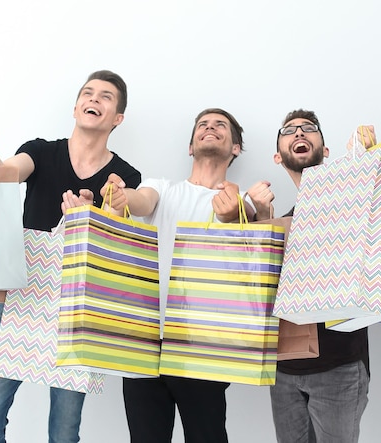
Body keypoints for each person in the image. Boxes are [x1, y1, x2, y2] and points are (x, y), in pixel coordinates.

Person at [0, 70, 142, 443]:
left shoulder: (123, 176)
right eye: (88, 93)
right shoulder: (42, 151)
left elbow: (119, 240)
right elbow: (7, 174)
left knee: (65, 432)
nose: (94, 99)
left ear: (117, 118)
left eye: (106, 97)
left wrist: (92, 217)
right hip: (23, 297)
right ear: (76, 106)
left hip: (80, 309)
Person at [103, 108, 248, 443]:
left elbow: (247, 247)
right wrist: (124, 196)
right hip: (144, 340)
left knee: (207, 437)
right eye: (203, 125)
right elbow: (141, 201)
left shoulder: (243, 202)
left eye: (220, 125)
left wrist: (235, 213)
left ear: (235, 148)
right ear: (190, 146)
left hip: (203, 345)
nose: (210, 128)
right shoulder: (161, 188)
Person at [247, 109, 370, 443]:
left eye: (309, 129)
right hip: (284, 369)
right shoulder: (282, 222)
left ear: (325, 150)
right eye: (289, 130)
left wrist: (368, 160)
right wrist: (259, 219)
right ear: (278, 155)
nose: (299, 133)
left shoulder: (353, 199)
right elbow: (261, 291)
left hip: (339, 367)